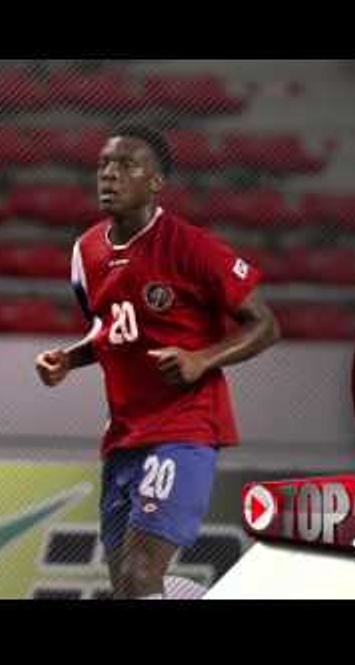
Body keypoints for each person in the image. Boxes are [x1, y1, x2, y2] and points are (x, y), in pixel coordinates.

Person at [35, 127, 281, 599]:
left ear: (156, 183)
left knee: (142, 573)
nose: (110, 174)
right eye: (105, 164)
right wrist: (70, 357)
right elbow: (110, 329)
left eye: (127, 165)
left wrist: (201, 358)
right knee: (127, 582)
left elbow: (265, 324)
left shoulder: (192, 247)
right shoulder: (85, 251)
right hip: (124, 434)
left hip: (183, 431)